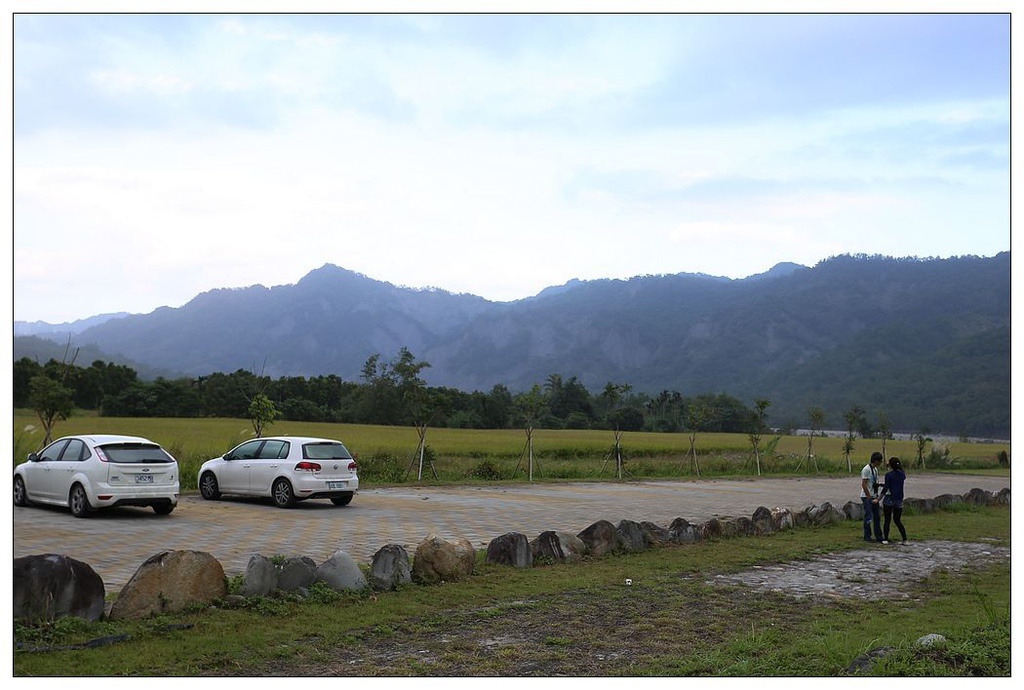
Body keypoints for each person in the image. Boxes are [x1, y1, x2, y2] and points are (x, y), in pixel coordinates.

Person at [879, 456, 908, 544]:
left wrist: (879, 498)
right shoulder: (902, 474)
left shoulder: (888, 475)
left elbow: (887, 487)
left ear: (890, 465)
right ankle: (904, 539)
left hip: (889, 498)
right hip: (899, 499)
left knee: (887, 520)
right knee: (897, 520)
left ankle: (885, 539)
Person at [860, 451, 884, 543]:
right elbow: (864, 484)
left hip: (874, 495)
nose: (880, 463)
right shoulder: (866, 469)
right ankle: (867, 536)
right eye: (880, 461)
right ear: (876, 461)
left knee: (877, 517)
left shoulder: (875, 469)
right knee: (868, 516)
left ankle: (879, 535)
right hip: (867, 496)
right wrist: (868, 496)